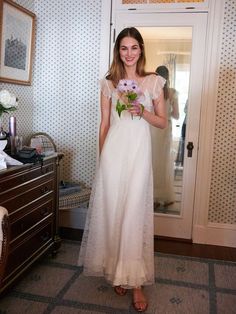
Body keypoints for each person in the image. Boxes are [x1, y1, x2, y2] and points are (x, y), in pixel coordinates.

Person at [78, 27, 166, 312]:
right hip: (113, 157)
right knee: (113, 212)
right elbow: (104, 125)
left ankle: (135, 282)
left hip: (139, 156)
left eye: (134, 48)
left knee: (133, 214)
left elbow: (163, 122)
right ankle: (118, 271)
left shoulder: (153, 82)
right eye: (123, 48)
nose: (129, 53)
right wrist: (102, 161)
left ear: (141, 50)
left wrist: (144, 112)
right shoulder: (108, 84)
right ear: (118, 51)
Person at [151, 65, 179, 208]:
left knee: (152, 161)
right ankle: (165, 197)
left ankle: (153, 198)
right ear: (168, 77)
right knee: (164, 162)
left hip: (153, 128)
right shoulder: (172, 92)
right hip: (166, 129)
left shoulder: (152, 91)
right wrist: (167, 113)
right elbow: (177, 115)